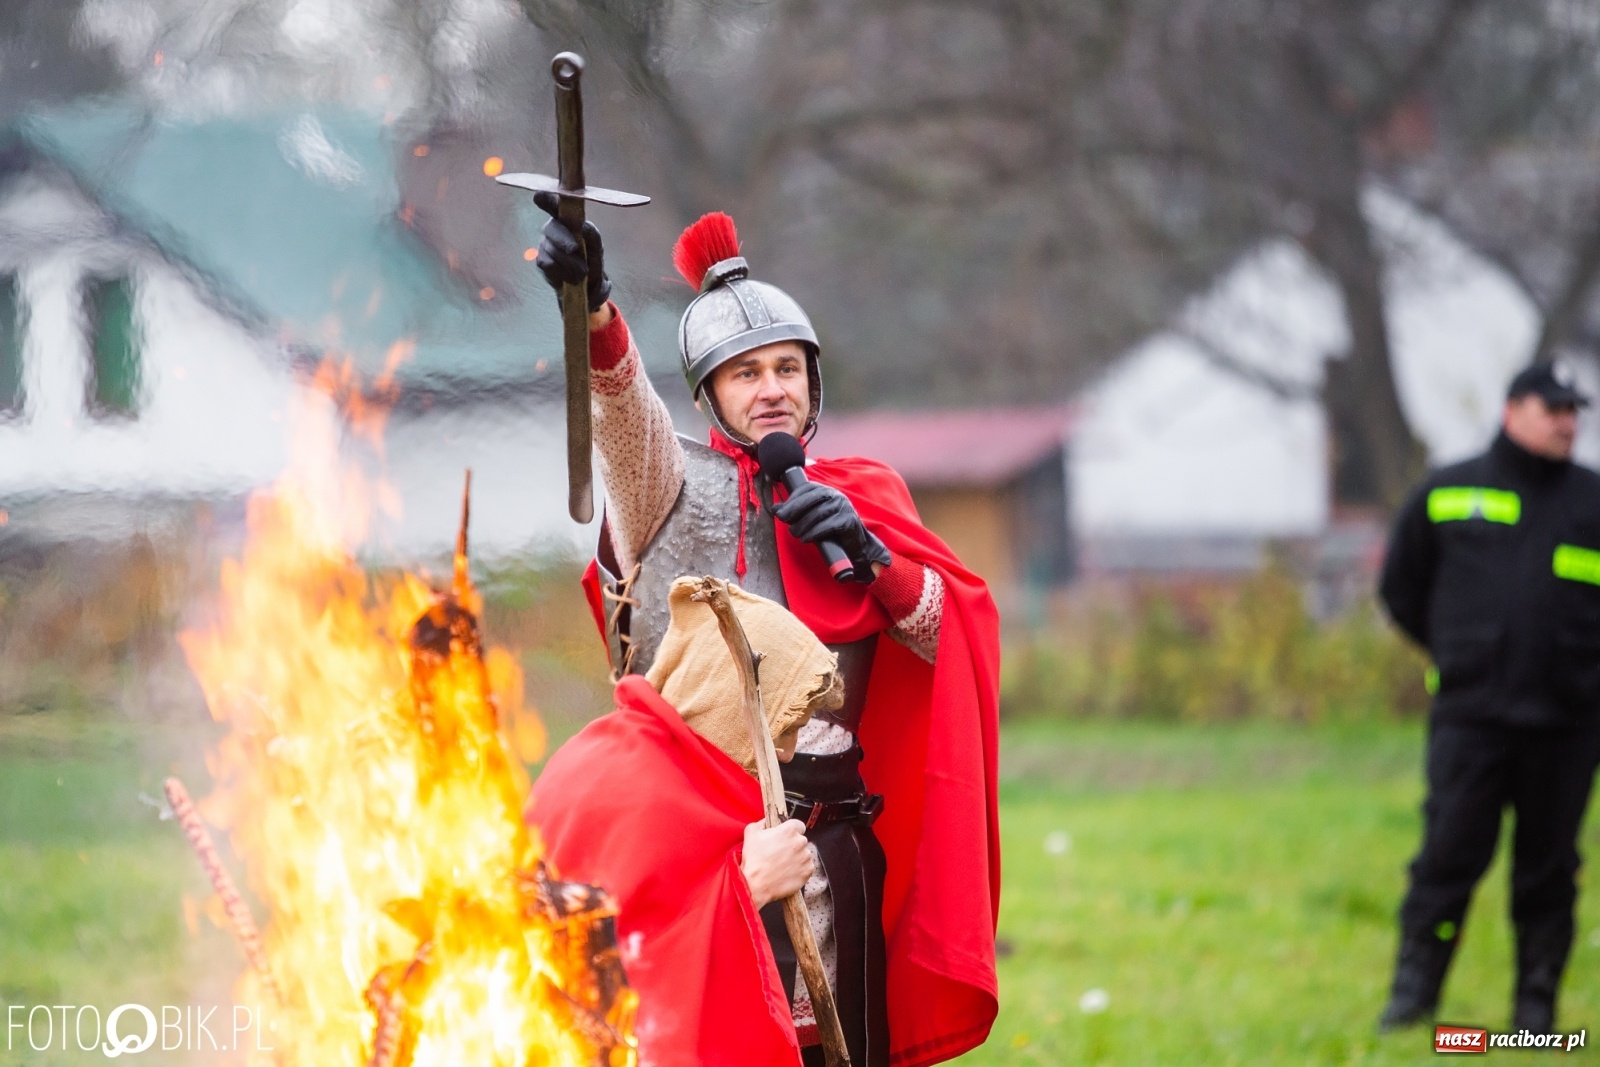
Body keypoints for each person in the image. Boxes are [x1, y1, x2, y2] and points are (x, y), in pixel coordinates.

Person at [530, 199, 1001, 1066]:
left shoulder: (865, 496)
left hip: (836, 850)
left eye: (788, 367)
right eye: (745, 372)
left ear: (814, 384)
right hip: (701, 848)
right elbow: (625, 414)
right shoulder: (665, 490)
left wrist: (870, 555)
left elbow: (948, 638)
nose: (773, 386)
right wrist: (593, 310)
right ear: (710, 394)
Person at [529, 579, 846, 1067]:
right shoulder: (646, 794)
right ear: (725, 700)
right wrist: (749, 885)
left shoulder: (620, 746)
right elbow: (614, 972)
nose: (785, 753)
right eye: (783, 727)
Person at [1377, 361, 1600, 1032]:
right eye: (1552, 407)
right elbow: (1401, 590)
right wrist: (1463, 655)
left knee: (1549, 869)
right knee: (1447, 856)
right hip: (1472, 719)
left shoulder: (1594, 504)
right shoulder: (1447, 492)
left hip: (1567, 723)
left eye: (1574, 410)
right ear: (1512, 411)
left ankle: (1533, 1017)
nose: (1567, 421)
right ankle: (1415, 1007)